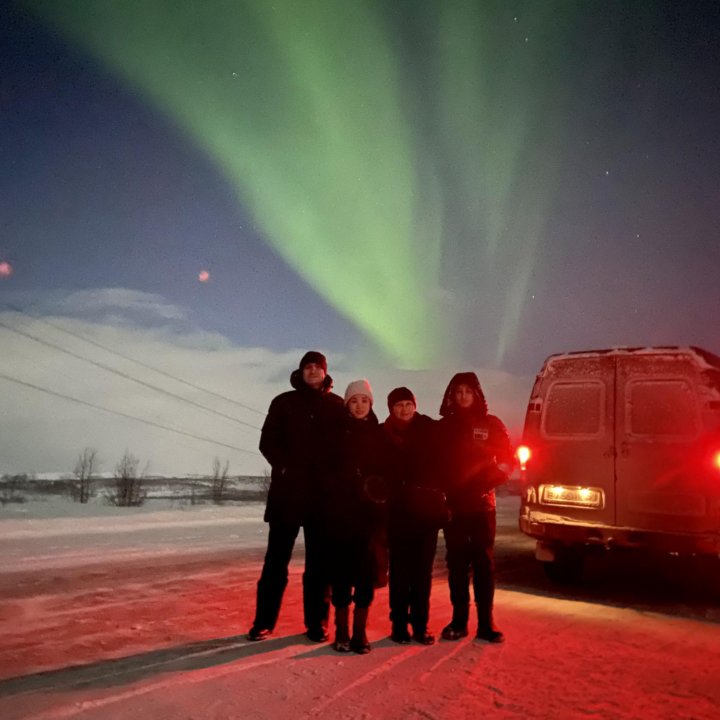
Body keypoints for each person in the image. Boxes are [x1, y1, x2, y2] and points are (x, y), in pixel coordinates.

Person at [247, 351, 344, 642]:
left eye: (318, 367)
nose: (313, 371)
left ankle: (318, 623)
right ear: (301, 372)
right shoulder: (283, 402)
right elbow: (267, 443)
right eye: (308, 367)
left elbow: (347, 448)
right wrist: (286, 466)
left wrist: (334, 479)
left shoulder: (337, 406)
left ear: (326, 373)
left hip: (322, 501)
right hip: (287, 497)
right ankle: (263, 621)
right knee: (275, 563)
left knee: (319, 566)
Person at [438, 372, 514, 643]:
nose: (462, 397)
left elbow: (508, 460)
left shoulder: (490, 424)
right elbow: (434, 464)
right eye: (458, 392)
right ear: (451, 395)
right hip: (454, 506)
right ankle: (459, 621)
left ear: (477, 395)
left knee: (483, 563)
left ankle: (486, 623)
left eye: (468, 392)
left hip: (483, 505)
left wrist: (488, 480)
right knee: (457, 564)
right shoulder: (443, 427)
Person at [327, 379, 387, 654]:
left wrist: (376, 489)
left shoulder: (379, 434)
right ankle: (341, 630)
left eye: (364, 400)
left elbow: (388, 472)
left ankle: (360, 633)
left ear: (370, 404)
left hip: (369, 517)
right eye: (353, 401)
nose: (359, 405)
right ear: (347, 404)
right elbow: (326, 469)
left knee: (365, 575)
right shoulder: (337, 432)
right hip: (341, 515)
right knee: (340, 574)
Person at [382, 387, 444, 645]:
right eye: (398, 405)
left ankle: (421, 624)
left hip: (425, 511)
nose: (404, 409)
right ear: (391, 408)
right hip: (397, 512)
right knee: (399, 571)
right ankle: (398, 624)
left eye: (408, 403)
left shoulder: (430, 429)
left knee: (422, 572)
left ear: (414, 405)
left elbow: (445, 464)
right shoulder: (383, 433)